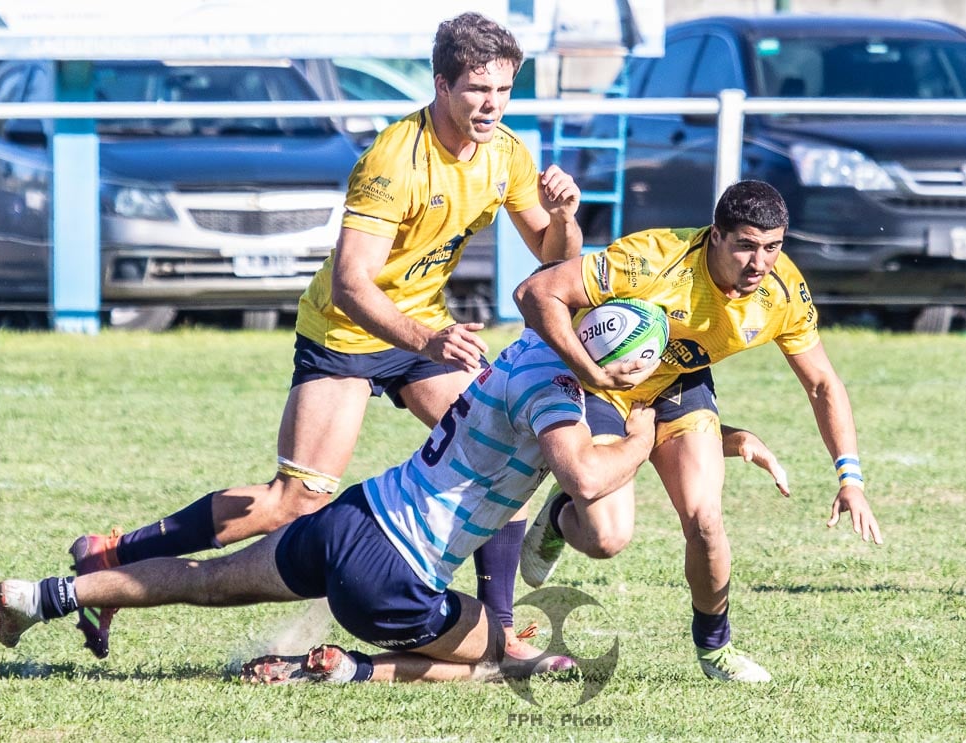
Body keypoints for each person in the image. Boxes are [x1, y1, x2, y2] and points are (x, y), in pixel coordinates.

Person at [65, 11, 583, 665]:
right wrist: (427, 340)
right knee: (293, 499)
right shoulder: (394, 159)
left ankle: (503, 631)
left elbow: (552, 255)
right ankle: (116, 553)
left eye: (504, 90)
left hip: (424, 330)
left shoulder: (506, 152)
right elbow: (350, 284)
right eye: (478, 88)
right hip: (348, 331)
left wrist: (564, 216)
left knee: (503, 442)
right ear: (442, 83)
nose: (492, 104)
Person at [0, 322, 657, 685]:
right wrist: (644, 432)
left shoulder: (533, 344)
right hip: (392, 577)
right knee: (498, 655)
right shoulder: (555, 397)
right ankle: (351, 669)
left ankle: (44, 594)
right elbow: (591, 479)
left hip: (355, 514)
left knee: (207, 579)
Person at [512, 179, 884, 683]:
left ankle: (715, 649)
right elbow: (535, 292)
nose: (759, 264)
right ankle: (560, 514)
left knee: (706, 521)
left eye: (772, 248)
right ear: (715, 236)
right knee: (606, 539)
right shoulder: (651, 258)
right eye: (746, 246)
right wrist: (594, 372)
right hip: (600, 383)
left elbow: (822, 384)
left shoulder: (781, 292)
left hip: (679, 385)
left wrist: (851, 478)